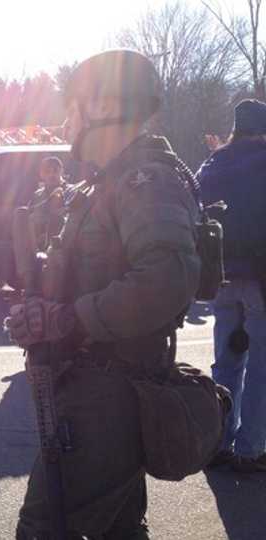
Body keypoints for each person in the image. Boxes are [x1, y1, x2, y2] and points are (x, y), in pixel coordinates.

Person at [5, 50, 201, 539]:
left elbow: (167, 277)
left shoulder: (145, 180)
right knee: (116, 530)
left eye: (74, 106)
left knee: (46, 528)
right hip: (92, 386)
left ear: (106, 104)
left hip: (109, 394)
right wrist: (44, 309)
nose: (67, 120)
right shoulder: (106, 182)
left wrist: (70, 320)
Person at [197, 99, 266, 473]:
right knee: (262, 366)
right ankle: (252, 448)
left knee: (226, 362)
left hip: (220, 276)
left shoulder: (211, 164)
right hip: (260, 278)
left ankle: (219, 441)